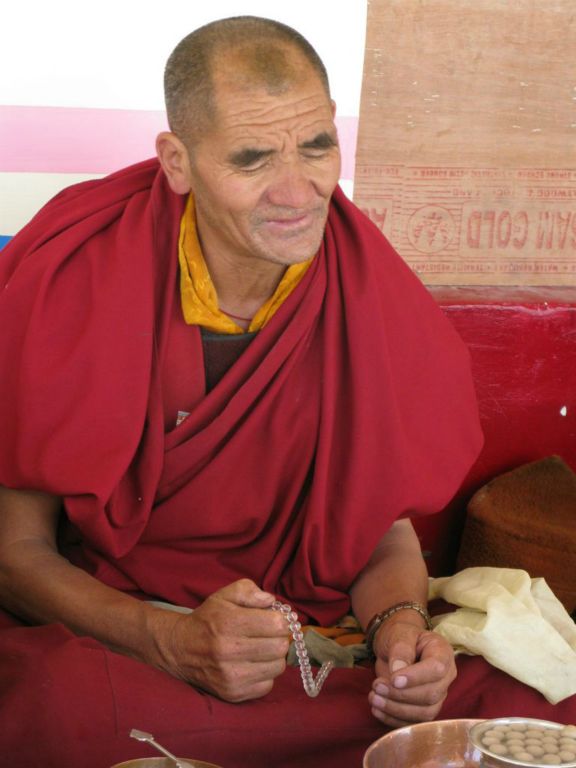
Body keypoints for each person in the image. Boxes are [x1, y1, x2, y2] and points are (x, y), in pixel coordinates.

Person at [0, 16, 572, 768]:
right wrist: (169, 641)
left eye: (317, 146)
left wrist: (400, 631)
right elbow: (15, 550)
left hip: (302, 636)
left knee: (534, 696)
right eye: (252, 158)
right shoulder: (81, 270)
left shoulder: (364, 287)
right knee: (54, 709)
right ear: (177, 162)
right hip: (124, 627)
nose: (298, 193)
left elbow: (375, 528)